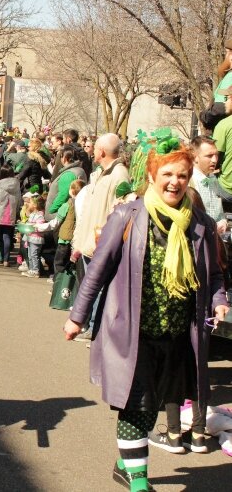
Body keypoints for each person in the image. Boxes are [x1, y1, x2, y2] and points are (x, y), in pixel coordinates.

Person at [63, 143, 228, 492]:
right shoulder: (128, 217)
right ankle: (139, 484)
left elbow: (214, 275)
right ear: (152, 176)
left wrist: (219, 300)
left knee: (152, 405)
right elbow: (98, 271)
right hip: (131, 332)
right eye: (167, 174)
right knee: (136, 404)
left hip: (178, 334)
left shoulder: (200, 224)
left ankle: (125, 465)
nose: (175, 182)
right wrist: (78, 316)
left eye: (182, 175)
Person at [70, 133, 131, 340]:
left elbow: (121, 210)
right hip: (89, 240)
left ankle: (96, 327)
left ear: (102, 151)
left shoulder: (119, 175)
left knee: (99, 287)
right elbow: (88, 210)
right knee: (89, 284)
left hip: (102, 242)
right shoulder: (98, 174)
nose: (92, 151)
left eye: (95, 148)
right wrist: (78, 241)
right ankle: (89, 324)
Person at [22, 195, 46, 277]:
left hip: (36, 238)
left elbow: (40, 226)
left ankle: (35, 271)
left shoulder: (40, 215)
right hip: (30, 237)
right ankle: (31, 270)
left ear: (35, 205)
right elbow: (27, 214)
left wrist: (32, 227)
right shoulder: (33, 214)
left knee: (34, 255)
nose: (28, 204)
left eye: (30, 203)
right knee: (30, 255)